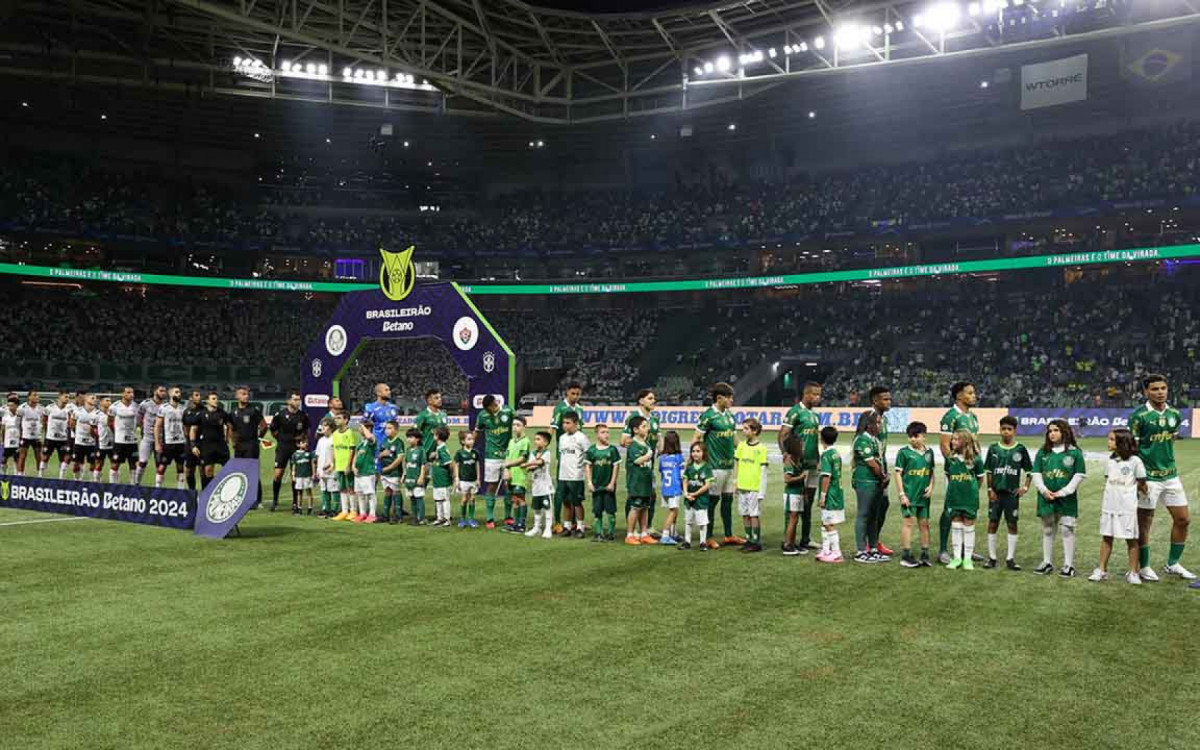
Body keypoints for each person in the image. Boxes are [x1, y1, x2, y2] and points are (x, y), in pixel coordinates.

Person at [1129, 374, 1195, 581]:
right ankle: (1145, 567)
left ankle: (1172, 564)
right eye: (1155, 389)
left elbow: (1170, 441)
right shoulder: (1138, 416)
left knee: (1183, 519)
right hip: (1148, 478)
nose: (1160, 392)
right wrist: (1140, 478)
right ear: (1146, 392)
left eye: (1163, 388)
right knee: (1145, 523)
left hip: (1170, 475)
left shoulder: (1175, 414)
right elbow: (1133, 449)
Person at [1031, 419, 1087, 578]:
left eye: (1056, 430)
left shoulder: (1074, 452)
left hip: (1066, 498)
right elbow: (1036, 473)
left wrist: (1063, 492)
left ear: (1064, 432)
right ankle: (1047, 562)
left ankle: (1068, 565)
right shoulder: (1043, 452)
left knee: (1066, 529)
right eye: (1049, 431)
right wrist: (1043, 490)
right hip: (1046, 496)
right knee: (1048, 528)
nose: (1052, 434)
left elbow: (1079, 475)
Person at [1090, 428, 1146, 584]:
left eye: (1112, 439)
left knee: (1131, 539)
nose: (1108, 442)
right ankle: (1102, 570)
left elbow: (1142, 482)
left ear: (1122, 442)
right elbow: (1108, 479)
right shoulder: (1110, 460)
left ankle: (1133, 572)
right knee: (1107, 537)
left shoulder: (1135, 461)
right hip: (1109, 504)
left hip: (1127, 506)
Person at [693, 382, 741, 547]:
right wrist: (694, 463)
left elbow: (735, 440)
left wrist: (744, 451)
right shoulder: (708, 416)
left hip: (729, 466)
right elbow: (696, 439)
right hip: (714, 466)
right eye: (729, 397)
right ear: (719, 398)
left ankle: (728, 535)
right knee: (712, 502)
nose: (732, 400)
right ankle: (708, 536)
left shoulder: (729, 415)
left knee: (727, 501)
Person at [938, 382, 980, 564]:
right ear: (959, 396)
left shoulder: (973, 417)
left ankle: (964, 551)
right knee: (951, 508)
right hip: (956, 471)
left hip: (970, 468)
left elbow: (974, 444)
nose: (974, 396)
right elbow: (944, 445)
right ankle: (942, 550)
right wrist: (954, 465)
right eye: (970, 393)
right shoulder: (951, 416)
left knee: (966, 508)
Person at [984, 416, 1033, 570]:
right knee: (993, 523)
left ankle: (1010, 559)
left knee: (1012, 524)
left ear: (1014, 431)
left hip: (1012, 494)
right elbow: (989, 471)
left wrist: (1025, 487)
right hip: (996, 494)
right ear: (999, 430)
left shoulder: (1020, 449)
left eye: (1009, 429)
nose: (1006, 432)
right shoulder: (993, 448)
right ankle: (991, 558)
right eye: (1003, 429)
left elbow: (1030, 471)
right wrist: (990, 489)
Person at [779, 382, 823, 551]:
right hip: (799, 465)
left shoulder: (814, 415)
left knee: (808, 502)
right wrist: (785, 454)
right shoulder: (795, 412)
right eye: (816, 395)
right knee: (793, 503)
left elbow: (814, 440)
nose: (819, 398)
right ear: (807, 394)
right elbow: (782, 435)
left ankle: (805, 538)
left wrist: (818, 459)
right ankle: (788, 541)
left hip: (812, 465)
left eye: (819, 395)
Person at [855, 386, 893, 556]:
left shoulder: (883, 420)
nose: (889, 402)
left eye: (889, 398)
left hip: (880, 472)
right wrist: (879, 473)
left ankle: (874, 541)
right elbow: (864, 448)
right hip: (870, 475)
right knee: (868, 511)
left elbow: (881, 451)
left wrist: (884, 472)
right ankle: (866, 546)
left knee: (882, 505)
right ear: (875, 401)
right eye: (885, 399)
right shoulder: (869, 419)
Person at [895, 422, 936, 568]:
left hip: (923, 497)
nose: (913, 439)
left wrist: (931, 486)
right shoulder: (904, 452)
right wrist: (902, 494)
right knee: (908, 523)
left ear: (924, 436)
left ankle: (925, 554)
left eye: (916, 436)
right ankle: (906, 554)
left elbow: (931, 472)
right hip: (909, 496)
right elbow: (898, 474)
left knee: (924, 524)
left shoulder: (929, 453)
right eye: (910, 437)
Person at [943, 429, 985, 570]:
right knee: (956, 526)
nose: (952, 441)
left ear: (965, 441)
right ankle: (956, 558)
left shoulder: (976, 459)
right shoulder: (950, 458)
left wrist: (971, 491)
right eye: (952, 439)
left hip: (969, 499)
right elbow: (948, 476)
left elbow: (980, 479)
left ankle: (967, 558)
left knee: (969, 526)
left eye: (956, 439)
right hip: (954, 498)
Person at [852, 411, 890, 563]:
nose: (881, 425)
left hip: (876, 482)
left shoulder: (875, 440)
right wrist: (883, 477)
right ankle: (861, 551)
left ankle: (873, 548)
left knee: (874, 516)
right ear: (869, 425)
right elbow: (872, 464)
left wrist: (883, 478)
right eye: (878, 423)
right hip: (865, 481)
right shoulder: (862, 440)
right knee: (863, 514)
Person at [622, 389, 662, 533]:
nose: (653, 401)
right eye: (650, 398)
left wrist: (661, 450)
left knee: (650, 494)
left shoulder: (655, 419)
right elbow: (623, 441)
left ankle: (647, 527)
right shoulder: (633, 417)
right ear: (641, 401)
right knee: (634, 496)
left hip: (649, 464)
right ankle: (631, 529)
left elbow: (658, 438)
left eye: (654, 398)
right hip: (637, 464)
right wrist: (637, 444)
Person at [476, 394, 515, 530]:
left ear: (494, 404)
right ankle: (490, 518)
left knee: (508, 485)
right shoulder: (482, 416)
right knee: (492, 486)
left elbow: (517, 427)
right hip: (491, 456)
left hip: (508, 456)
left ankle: (508, 516)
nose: (488, 412)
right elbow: (476, 432)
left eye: (489, 408)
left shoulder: (508, 412)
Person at [551, 382, 585, 532]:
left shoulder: (579, 409)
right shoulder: (560, 408)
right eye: (573, 393)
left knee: (575, 492)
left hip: (577, 456)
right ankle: (557, 522)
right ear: (567, 393)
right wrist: (543, 445)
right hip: (564, 455)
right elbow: (553, 427)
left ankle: (574, 522)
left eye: (578, 394)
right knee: (561, 490)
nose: (576, 397)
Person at [270, 390, 312, 513]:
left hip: (295, 448)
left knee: (295, 477)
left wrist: (302, 439)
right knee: (278, 475)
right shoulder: (280, 415)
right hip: (282, 447)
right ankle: (275, 500)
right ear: (289, 401)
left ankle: (295, 503)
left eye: (299, 399)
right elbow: (273, 429)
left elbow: (307, 430)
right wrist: (280, 439)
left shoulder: (303, 416)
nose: (297, 402)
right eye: (295, 399)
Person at [734, 417, 769, 553]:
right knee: (744, 513)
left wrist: (762, 491)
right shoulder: (741, 446)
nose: (743, 431)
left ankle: (756, 541)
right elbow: (737, 463)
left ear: (754, 431)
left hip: (754, 487)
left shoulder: (761, 449)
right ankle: (748, 539)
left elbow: (763, 471)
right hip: (742, 485)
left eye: (746, 428)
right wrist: (735, 482)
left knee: (754, 514)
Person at [231, 387, 268, 509]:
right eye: (243, 394)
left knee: (252, 472)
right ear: (237, 396)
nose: (246, 396)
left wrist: (258, 438)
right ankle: (241, 498)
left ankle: (257, 499)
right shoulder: (234, 412)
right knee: (239, 473)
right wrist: (233, 441)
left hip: (251, 444)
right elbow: (231, 428)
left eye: (247, 394)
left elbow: (263, 426)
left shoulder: (253, 410)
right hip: (239, 446)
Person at [585, 423, 622, 542]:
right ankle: (598, 533)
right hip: (597, 486)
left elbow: (616, 467)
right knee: (597, 510)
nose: (606, 435)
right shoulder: (592, 450)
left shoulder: (612, 450)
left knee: (610, 510)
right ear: (596, 434)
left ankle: (611, 533)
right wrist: (589, 482)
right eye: (603, 432)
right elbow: (588, 467)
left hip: (608, 486)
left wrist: (612, 483)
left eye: (607, 432)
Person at [556, 413, 591, 538]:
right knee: (565, 501)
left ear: (576, 423)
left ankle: (580, 527)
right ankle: (567, 526)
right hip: (563, 475)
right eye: (563, 423)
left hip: (576, 476)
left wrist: (582, 468)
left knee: (577, 502)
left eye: (568, 423)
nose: (565, 425)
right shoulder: (562, 438)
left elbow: (589, 453)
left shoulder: (581, 437)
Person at [816, 426, 846, 564]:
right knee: (824, 522)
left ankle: (836, 552)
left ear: (821, 438)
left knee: (828, 523)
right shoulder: (835, 453)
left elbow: (827, 477)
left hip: (830, 493)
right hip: (836, 491)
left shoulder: (826, 455)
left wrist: (823, 496)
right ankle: (826, 549)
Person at [624, 415, 656, 546]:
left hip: (646, 481)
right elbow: (637, 461)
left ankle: (644, 533)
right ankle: (630, 534)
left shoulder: (646, 443)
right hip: (636, 482)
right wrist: (648, 455)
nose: (647, 429)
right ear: (635, 430)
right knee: (635, 507)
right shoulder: (633, 445)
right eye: (644, 426)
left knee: (645, 507)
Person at [190, 392, 232, 490]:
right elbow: (193, 429)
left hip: (221, 445)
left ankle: (228, 491)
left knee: (228, 469)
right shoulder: (201, 414)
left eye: (216, 398)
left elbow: (230, 426)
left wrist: (227, 438)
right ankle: (207, 492)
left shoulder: (222, 413)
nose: (216, 400)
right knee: (208, 470)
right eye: (213, 398)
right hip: (207, 445)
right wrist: (193, 445)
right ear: (207, 401)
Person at [681, 442, 714, 551]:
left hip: (701, 500)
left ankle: (703, 542)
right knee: (688, 521)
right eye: (693, 451)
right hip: (689, 499)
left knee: (702, 522)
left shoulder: (707, 467)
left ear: (703, 453)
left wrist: (695, 494)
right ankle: (687, 541)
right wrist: (686, 493)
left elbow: (707, 485)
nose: (695, 454)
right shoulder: (689, 467)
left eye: (698, 451)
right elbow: (685, 480)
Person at [154, 387, 188, 490]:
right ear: (170, 394)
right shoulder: (164, 408)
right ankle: (157, 489)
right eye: (176, 392)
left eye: (179, 392)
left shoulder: (183, 408)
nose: (179, 394)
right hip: (168, 442)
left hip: (181, 442)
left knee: (181, 467)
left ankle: (181, 490)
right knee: (162, 466)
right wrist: (157, 443)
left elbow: (185, 426)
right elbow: (157, 426)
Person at [523, 431, 555, 539]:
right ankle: (537, 527)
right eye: (535, 439)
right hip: (536, 485)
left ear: (545, 442)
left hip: (546, 486)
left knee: (547, 507)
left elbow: (539, 462)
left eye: (538, 439)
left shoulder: (547, 453)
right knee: (536, 507)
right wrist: (529, 466)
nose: (536, 441)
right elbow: (531, 467)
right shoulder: (533, 453)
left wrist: (527, 464)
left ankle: (548, 528)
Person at [503, 416, 532, 531]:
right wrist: (506, 470)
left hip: (520, 475)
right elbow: (507, 457)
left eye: (518, 425)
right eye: (513, 425)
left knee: (520, 498)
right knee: (514, 499)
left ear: (524, 427)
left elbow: (523, 458)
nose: (515, 427)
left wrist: (508, 465)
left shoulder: (525, 441)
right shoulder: (511, 441)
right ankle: (516, 523)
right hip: (511, 475)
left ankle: (522, 524)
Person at [782, 436, 809, 556]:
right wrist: (801, 477)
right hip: (792, 493)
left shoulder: (798, 459)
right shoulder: (789, 461)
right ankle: (788, 545)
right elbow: (787, 479)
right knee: (793, 519)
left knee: (795, 519)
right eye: (801, 445)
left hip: (798, 492)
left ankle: (792, 543)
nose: (802, 447)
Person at [135, 385, 167, 485]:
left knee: (160, 465)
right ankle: (136, 483)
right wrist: (142, 428)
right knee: (142, 462)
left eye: (164, 391)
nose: (163, 393)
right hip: (147, 438)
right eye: (161, 391)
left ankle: (158, 489)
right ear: (154, 391)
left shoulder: (166, 406)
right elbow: (139, 417)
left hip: (161, 439)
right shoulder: (145, 404)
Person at [657, 431, 684, 546]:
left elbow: (661, 471)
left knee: (674, 510)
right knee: (673, 511)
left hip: (665, 488)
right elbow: (682, 475)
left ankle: (673, 532)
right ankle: (665, 534)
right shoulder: (679, 458)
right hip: (674, 488)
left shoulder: (662, 458)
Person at [110, 387, 141, 483]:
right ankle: (113, 486)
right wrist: (118, 433)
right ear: (123, 394)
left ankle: (133, 486)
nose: (131, 394)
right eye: (128, 392)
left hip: (132, 441)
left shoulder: (136, 406)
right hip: (120, 441)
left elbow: (138, 421)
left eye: (132, 392)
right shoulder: (114, 406)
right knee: (115, 464)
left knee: (133, 464)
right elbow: (110, 422)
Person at [330, 411, 357, 521]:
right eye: (336, 418)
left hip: (347, 465)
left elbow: (352, 449)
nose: (336, 420)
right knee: (342, 488)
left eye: (339, 418)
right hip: (339, 465)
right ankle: (344, 511)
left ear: (346, 420)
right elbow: (334, 449)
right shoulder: (335, 434)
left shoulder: (350, 433)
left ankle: (353, 510)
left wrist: (349, 465)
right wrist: (333, 463)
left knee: (350, 488)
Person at [351, 419, 378, 523]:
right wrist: (353, 466)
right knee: (360, 493)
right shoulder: (361, 442)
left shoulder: (371, 440)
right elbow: (356, 455)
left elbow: (370, 437)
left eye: (361, 428)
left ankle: (372, 514)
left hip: (368, 472)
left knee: (370, 494)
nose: (359, 429)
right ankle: (362, 513)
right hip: (359, 472)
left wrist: (364, 428)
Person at [378, 421, 406, 524]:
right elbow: (379, 455)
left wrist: (389, 467)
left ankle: (398, 516)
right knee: (387, 491)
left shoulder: (398, 442)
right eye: (386, 428)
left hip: (394, 472)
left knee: (396, 491)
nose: (387, 430)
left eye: (390, 428)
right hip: (385, 473)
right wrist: (382, 454)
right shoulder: (384, 441)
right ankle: (385, 515)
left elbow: (400, 458)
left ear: (396, 430)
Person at [68, 394, 100, 482]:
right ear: (86, 399)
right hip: (79, 443)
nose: (94, 399)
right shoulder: (77, 411)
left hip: (91, 443)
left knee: (92, 463)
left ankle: (91, 481)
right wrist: (78, 434)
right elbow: (72, 425)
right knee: (76, 464)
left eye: (95, 398)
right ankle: (77, 480)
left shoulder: (98, 413)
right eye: (92, 398)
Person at [42, 391, 72, 479]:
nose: (67, 399)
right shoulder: (49, 408)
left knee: (64, 458)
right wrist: (46, 431)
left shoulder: (69, 409)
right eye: (65, 396)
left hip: (63, 439)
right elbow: (44, 420)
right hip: (50, 438)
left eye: (68, 397)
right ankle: (41, 476)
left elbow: (71, 422)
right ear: (60, 397)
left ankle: (61, 478)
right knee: (45, 457)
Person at [429, 425, 455, 527]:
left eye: (434, 434)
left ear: (437, 436)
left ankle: (447, 519)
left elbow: (449, 463)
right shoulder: (439, 448)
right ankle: (439, 518)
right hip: (437, 479)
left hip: (443, 479)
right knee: (438, 499)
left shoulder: (443, 449)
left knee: (444, 499)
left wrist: (452, 476)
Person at [402, 428, 428, 525]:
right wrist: (404, 475)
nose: (409, 439)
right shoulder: (408, 450)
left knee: (419, 498)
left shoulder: (421, 450)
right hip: (409, 477)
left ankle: (421, 518)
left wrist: (421, 476)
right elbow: (406, 463)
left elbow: (423, 464)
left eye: (411, 437)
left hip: (417, 477)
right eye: (408, 437)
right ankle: (415, 517)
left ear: (417, 439)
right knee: (412, 498)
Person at [454, 431, 481, 528]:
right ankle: (462, 518)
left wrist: (478, 478)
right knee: (464, 499)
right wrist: (457, 478)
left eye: (472, 439)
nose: (472, 441)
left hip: (473, 480)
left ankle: (471, 518)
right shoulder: (459, 453)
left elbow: (477, 465)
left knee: (472, 499)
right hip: (463, 480)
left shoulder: (475, 453)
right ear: (462, 441)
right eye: (469, 439)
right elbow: (456, 466)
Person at [16, 390, 45, 476]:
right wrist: (19, 435)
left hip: (36, 437)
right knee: (22, 456)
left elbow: (42, 422)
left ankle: (40, 476)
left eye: (37, 395)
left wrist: (41, 434)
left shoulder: (41, 408)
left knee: (38, 457)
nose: (37, 397)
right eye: (35, 395)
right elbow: (17, 423)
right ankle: (20, 475)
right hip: (25, 436)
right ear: (29, 397)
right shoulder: (22, 408)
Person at [314, 419, 337, 518]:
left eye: (325, 426)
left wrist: (332, 464)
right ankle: (325, 508)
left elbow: (336, 454)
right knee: (324, 490)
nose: (323, 428)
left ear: (331, 428)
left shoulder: (334, 439)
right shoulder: (321, 440)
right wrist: (317, 469)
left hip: (332, 469)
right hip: (322, 469)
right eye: (322, 426)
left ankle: (335, 509)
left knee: (334, 489)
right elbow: (318, 456)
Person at [182, 391, 204, 491]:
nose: (199, 397)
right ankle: (192, 492)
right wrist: (190, 441)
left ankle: (205, 493)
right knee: (189, 470)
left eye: (199, 395)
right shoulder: (187, 412)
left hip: (203, 443)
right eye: (197, 395)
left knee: (203, 470)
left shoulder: (205, 411)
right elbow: (185, 428)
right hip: (190, 444)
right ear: (191, 398)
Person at [290, 433, 316, 516]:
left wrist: (313, 473)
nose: (306, 444)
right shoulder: (295, 455)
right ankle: (299, 508)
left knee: (309, 491)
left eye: (306, 442)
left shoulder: (309, 454)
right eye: (304, 442)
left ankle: (310, 507)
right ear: (298, 444)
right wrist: (293, 475)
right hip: (299, 476)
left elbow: (312, 464)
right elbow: (294, 465)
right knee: (299, 492)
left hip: (307, 475)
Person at [93, 396, 115, 482]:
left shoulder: (114, 414)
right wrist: (98, 437)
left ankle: (112, 483)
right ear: (101, 402)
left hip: (113, 442)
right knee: (99, 464)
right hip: (101, 443)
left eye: (110, 401)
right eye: (107, 400)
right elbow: (92, 428)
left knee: (114, 463)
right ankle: (96, 482)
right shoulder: (96, 415)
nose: (109, 402)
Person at [2, 395, 20, 472]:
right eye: (9, 405)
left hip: (17, 440)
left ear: (16, 406)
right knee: (4, 458)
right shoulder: (5, 417)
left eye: (12, 405)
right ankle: (3, 474)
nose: (10, 407)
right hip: (7, 440)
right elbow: (3, 429)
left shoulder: (20, 416)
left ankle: (17, 475)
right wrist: (2, 441)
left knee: (17, 458)